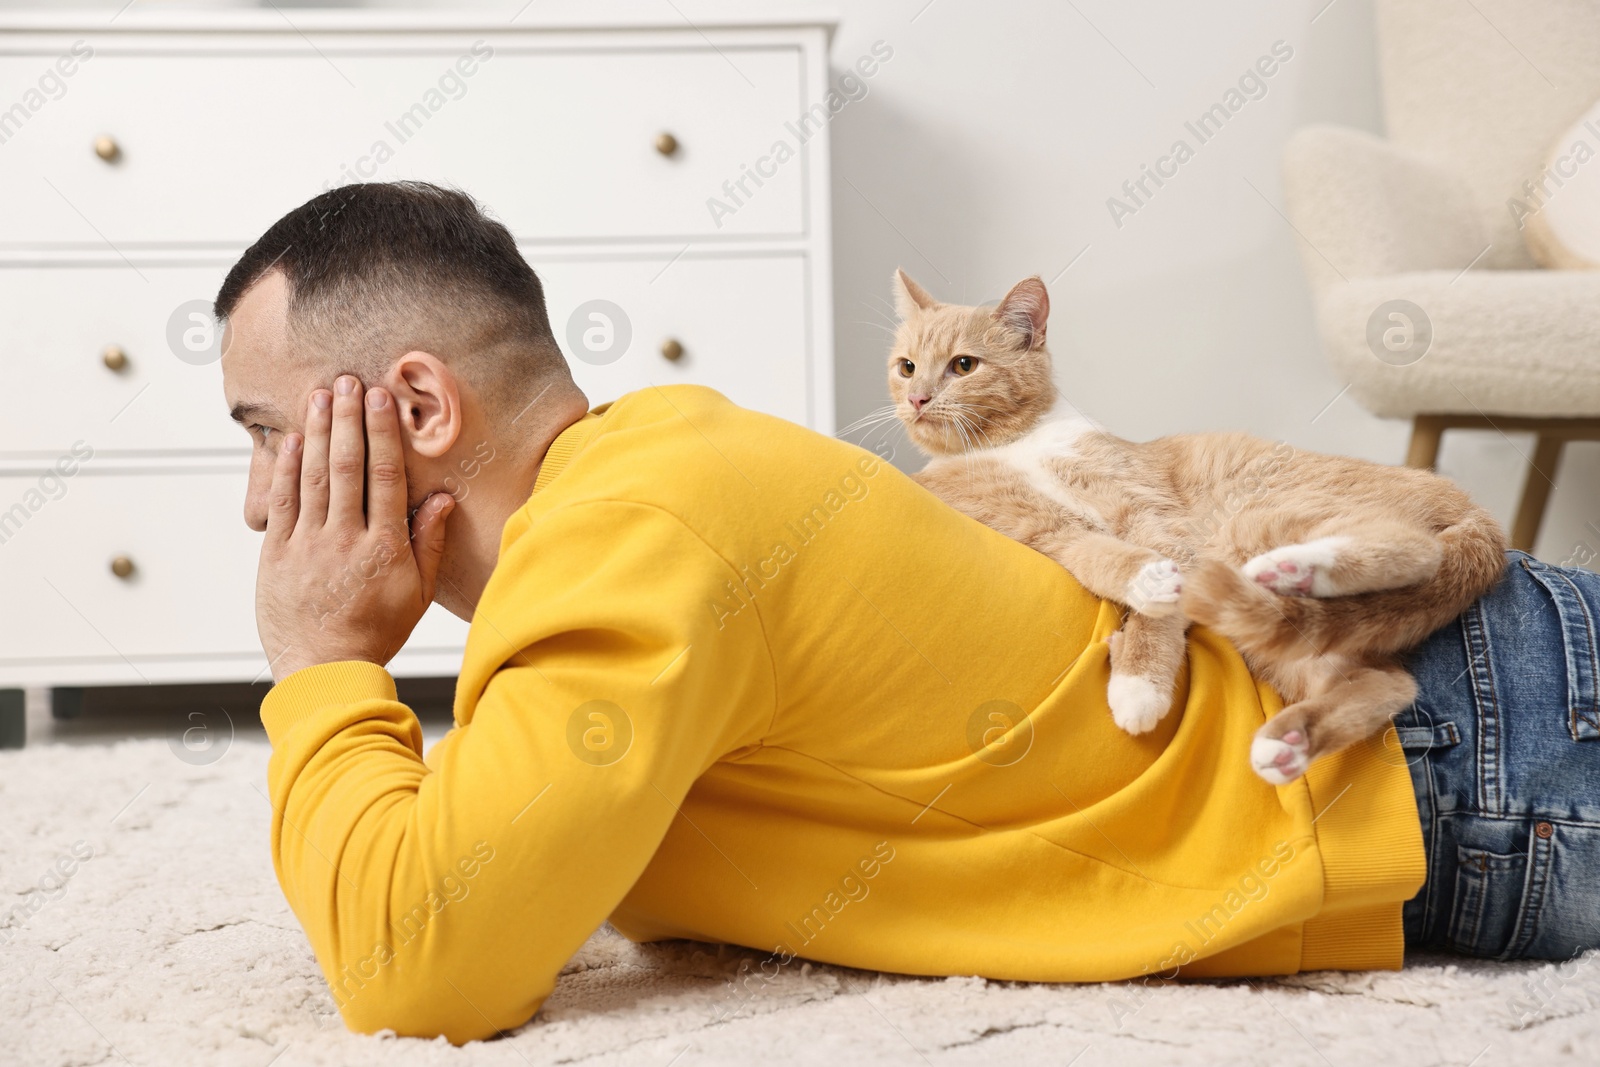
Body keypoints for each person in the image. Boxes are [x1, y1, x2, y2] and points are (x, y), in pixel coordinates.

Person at [218, 181, 1599, 1044]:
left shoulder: (632, 533)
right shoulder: (645, 483)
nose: (257, 500)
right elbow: (489, 866)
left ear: (412, 408)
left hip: (1460, 740)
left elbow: (419, 966)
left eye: (265, 431)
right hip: (1465, 733)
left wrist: (319, 661)